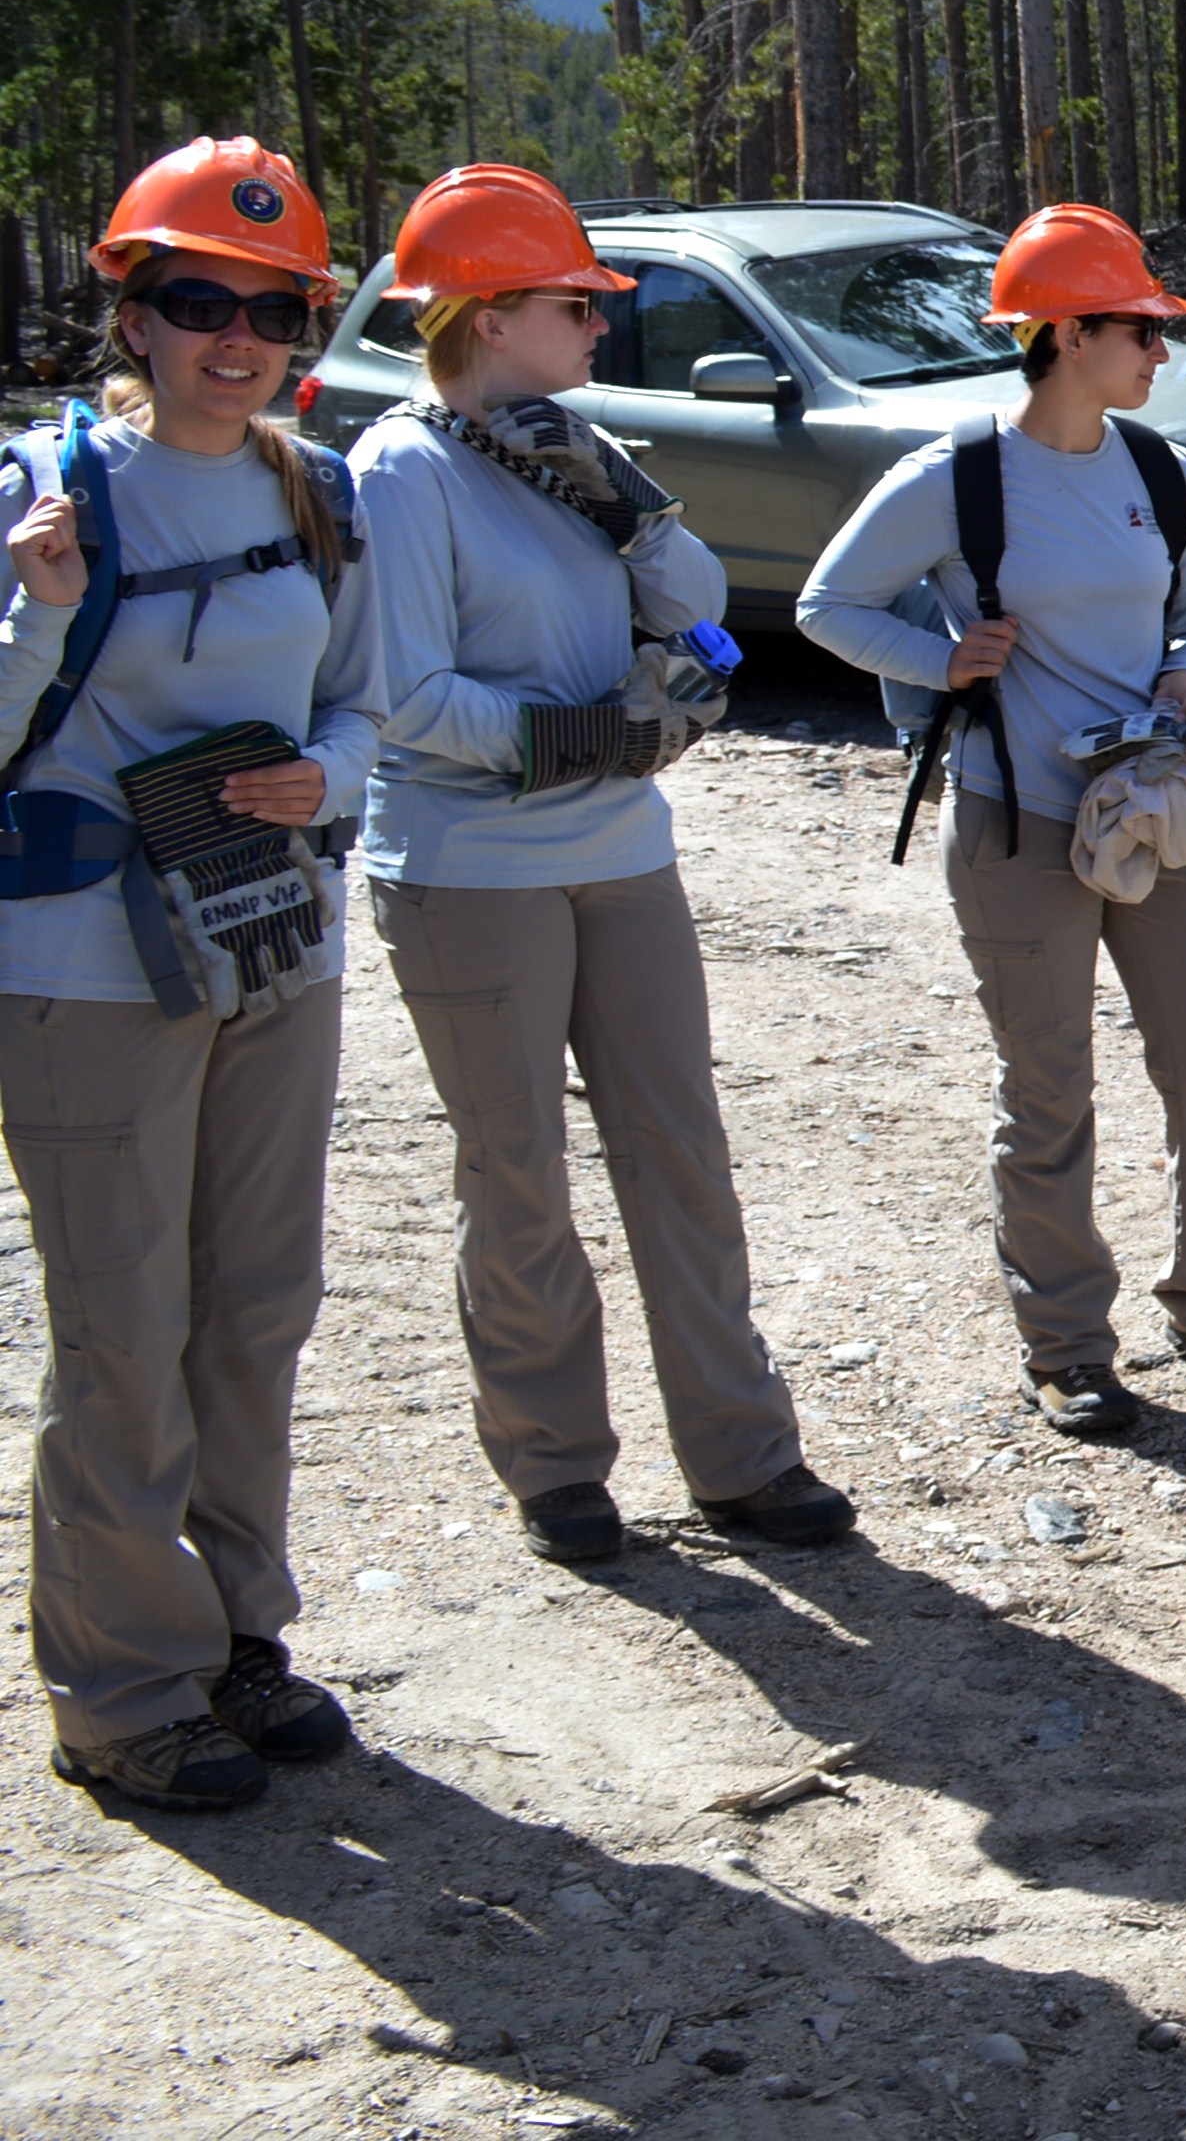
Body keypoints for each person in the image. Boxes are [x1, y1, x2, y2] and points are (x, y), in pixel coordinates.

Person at [351, 165, 853, 1571]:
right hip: (469, 869)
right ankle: (559, 1469)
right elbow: (401, 695)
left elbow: (697, 607)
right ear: (488, 315)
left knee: (681, 1155)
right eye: (577, 304)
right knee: (518, 1179)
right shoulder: (402, 469)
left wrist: (626, 503)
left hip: (621, 855)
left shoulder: (574, 442)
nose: (599, 326)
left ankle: (743, 1459)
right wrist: (586, 734)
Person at [0, 138, 383, 1810]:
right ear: (132, 314)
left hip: (271, 943)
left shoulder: (319, 491)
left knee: (257, 1307)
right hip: (85, 968)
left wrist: (331, 780)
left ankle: (238, 1633)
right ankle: (120, 1689)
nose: (237, 336)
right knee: (122, 1323)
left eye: (273, 306)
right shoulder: (45, 492)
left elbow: (366, 705)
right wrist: (36, 614)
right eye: (195, 300)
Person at [799, 205, 1186, 1444]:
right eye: (1141, 332)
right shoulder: (955, 476)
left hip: (1151, 815)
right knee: (1050, 1092)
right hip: (1016, 826)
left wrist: (1185, 683)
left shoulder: (1163, 474)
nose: (1160, 356)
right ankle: (1066, 1349)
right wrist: (943, 658)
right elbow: (825, 604)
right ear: (1066, 335)